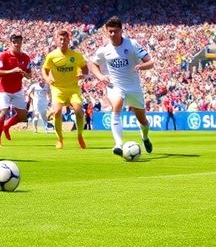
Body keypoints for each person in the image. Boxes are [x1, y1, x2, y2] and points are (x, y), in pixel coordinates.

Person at [90, 16, 155, 157]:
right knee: (117, 105)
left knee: (142, 120)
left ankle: (144, 137)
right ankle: (118, 145)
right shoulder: (104, 50)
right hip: (115, 85)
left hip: (133, 87)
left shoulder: (132, 44)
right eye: (110, 31)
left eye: (115, 31)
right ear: (106, 32)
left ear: (121, 31)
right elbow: (93, 64)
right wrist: (101, 76)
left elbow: (150, 63)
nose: (112, 34)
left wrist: (141, 66)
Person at [42, 29, 89, 149]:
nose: (62, 41)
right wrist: (47, 79)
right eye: (60, 39)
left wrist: (82, 75)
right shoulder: (52, 56)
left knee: (79, 111)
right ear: (57, 40)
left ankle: (79, 135)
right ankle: (60, 139)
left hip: (73, 88)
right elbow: (44, 69)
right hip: (58, 89)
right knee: (57, 112)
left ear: (69, 40)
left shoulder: (76, 56)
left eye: (64, 39)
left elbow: (85, 69)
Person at [0, 33, 32, 148]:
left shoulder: (25, 57)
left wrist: (24, 74)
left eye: (18, 41)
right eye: (14, 42)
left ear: (21, 42)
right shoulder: (4, 56)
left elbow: (30, 76)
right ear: (10, 42)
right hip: (4, 89)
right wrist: (12, 71)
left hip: (17, 89)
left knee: (23, 117)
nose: (16, 44)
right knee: (3, 112)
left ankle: (6, 126)